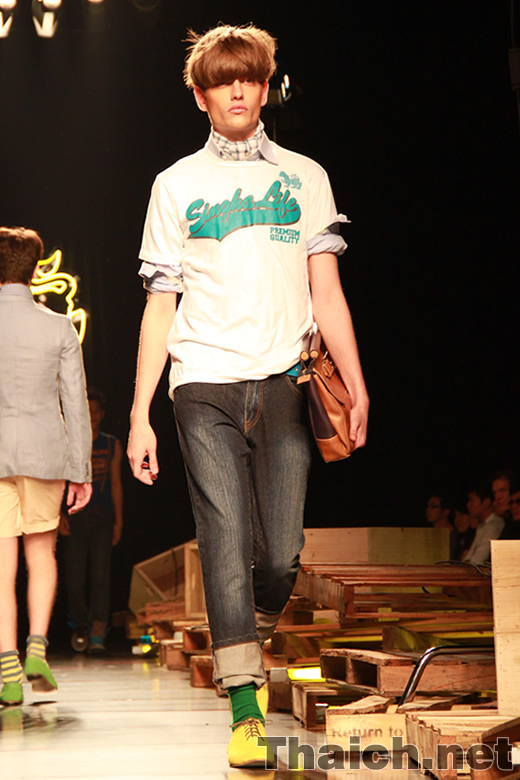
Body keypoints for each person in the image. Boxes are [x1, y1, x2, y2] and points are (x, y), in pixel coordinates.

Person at [127, 24, 369, 768]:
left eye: (248, 78)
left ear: (265, 88)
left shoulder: (306, 177)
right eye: (221, 81)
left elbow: (327, 290)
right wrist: (139, 414)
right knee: (225, 539)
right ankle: (245, 708)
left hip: (285, 379)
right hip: (202, 381)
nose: (236, 90)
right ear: (200, 96)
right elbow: (160, 305)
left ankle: (243, 640)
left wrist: (357, 382)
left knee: (282, 554)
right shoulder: (175, 185)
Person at [0, 226, 92, 707]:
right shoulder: (59, 327)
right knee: (41, 556)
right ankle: (37, 647)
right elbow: (76, 404)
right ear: (35, 271)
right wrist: (82, 470)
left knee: (1, 567)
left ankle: (7, 669)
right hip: (45, 454)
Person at [60, 387, 123, 654]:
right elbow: (60, 480)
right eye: (87, 411)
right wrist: (59, 514)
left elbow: (116, 483)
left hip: (102, 515)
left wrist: (119, 521)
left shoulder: (111, 444)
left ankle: (98, 628)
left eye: (96, 411)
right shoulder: (69, 443)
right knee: (74, 579)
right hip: (75, 515)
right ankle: (80, 625)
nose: (92, 415)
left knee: (100, 575)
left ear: (102, 414)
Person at [463, 483, 504, 564]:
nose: (468, 505)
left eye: (472, 501)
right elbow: (468, 558)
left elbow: (478, 560)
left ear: (486, 502)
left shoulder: (493, 525)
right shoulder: (482, 526)